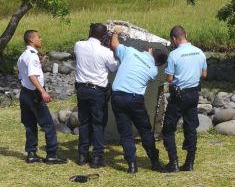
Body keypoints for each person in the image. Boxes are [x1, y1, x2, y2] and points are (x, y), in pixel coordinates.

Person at [110, 27, 168, 173]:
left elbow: (114, 45)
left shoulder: (130, 52)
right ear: (159, 64)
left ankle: (132, 165)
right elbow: (149, 66)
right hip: (135, 99)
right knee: (145, 131)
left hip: (118, 96)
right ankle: (154, 162)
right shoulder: (153, 70)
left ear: (150, 50)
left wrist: (116, 32)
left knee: (125, 132)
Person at [162, 25, 207, 172]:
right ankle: (189, 163)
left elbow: (169, 78)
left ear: (174, 39)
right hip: (194, 94)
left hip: (179, 95)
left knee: (168, 128)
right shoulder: (199, 52)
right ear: (185, 35)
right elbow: (204, 74)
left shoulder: (174, 55)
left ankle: (173, 163)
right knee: (191, 127)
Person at [18, 30, 67, 164]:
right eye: (39, 37)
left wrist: (39, 61)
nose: (41, 39)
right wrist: (43, 91)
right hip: (34, 93)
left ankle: (31, 153)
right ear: (31, 40)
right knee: (48, 124)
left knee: (30, 124)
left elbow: (23, 73)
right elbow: (32, 75)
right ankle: (51, 154)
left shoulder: (24, 55)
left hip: (25, 92)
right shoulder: (32, 56)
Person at [74, 23, 118, 168]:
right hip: (97, 90)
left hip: (81, 89)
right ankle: (97, 157)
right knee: (98, 123)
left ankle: (82, 154)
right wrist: (111, 48)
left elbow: (86, 44)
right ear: (104, 36)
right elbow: (113, 67)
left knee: (84, 122)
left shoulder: (78, 45)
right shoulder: (105, 52)